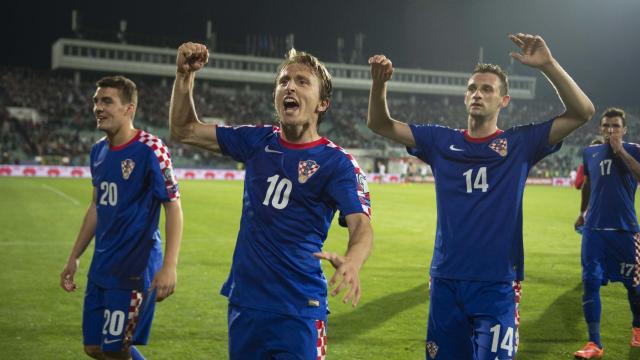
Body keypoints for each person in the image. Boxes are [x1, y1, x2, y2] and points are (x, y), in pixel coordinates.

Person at [367, 33, 594, 360]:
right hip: (446, 279)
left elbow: (583, 112)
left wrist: (548, 65)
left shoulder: (521, 144)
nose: (477, 93)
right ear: (464, 97)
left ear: (504, 101)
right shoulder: (439, 141)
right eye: (472, 88)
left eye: (487, 89)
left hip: (497, 284)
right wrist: (379, 85)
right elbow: (379, 123)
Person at [169, 42, 373, 359]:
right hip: (247, 303)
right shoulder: (256, 140)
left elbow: (361, 226)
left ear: (322, 103)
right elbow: (184, 130)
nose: (289, 86)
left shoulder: (338, 164)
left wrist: (353, 261)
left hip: (300, 308)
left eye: (302, 81)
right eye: (283, 81)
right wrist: (184, 77)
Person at [60, 76, 183, 360]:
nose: (98, 108)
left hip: (134, 268)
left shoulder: (151, 148)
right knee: (93, 348)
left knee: (116, 349)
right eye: (96, 101)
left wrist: (169, 266)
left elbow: (173, 206)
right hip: (102, 265)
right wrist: (74, 256)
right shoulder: (98, 151)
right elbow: (96, 207)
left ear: (129, 109)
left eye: (107, 101)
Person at [573, 108, 640, 359]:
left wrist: (620, 150)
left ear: (624, 129)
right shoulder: (590, 152)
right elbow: (588, 184)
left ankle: (637, 327)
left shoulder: (634, 150)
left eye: (615, 126)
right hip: (594, 231)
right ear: (600, 129)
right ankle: (594, 343)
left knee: (634, 288)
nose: (610, 130)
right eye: (606, 126)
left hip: (625, 231)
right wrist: (582, 212)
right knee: (590, 283)